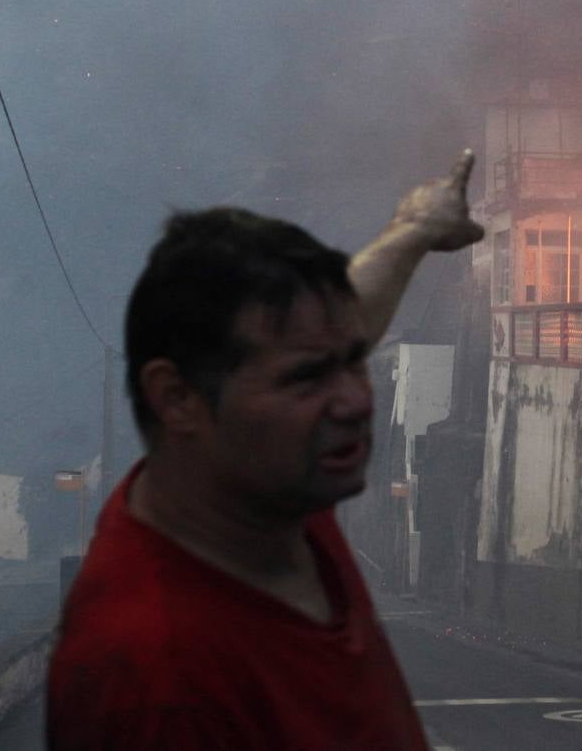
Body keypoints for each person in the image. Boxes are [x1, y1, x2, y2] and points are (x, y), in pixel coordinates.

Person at [46, 151, 484, 750]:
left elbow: (346, 320)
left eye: (354, 362)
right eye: (308, 378)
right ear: (177, 398)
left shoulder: (264, 485)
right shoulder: (159, 680)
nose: (355, 401)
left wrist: (414, 230)